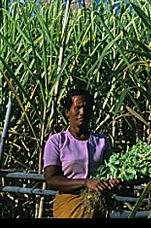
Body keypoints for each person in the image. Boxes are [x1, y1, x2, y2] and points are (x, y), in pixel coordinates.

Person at [43, 88, 124, 218]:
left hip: (97, 205)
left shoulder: (101, 141)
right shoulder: (57, 141)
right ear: (67, 112)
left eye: (86, 108)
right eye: (78, 108)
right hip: (69, 205)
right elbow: (51, 180)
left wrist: (114, 182)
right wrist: (86, 183)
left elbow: (111, 171)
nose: (82, 112)